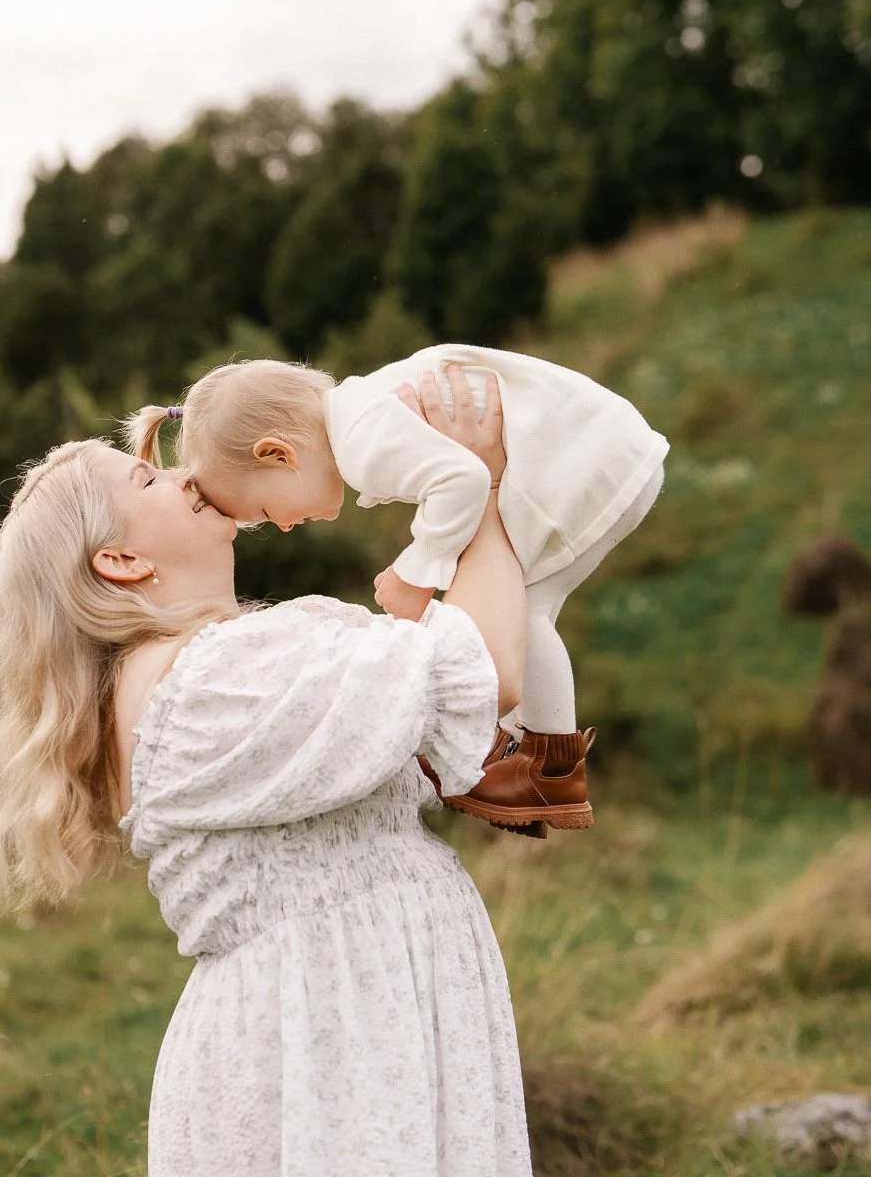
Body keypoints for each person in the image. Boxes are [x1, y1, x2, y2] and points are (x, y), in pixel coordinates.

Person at [0, 369, 541, 1177]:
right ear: (121, 561)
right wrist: (480, 480)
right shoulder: (204, 678)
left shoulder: (219, 664)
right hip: (330, 1035)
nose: (183, 478)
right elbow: (484, 672)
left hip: (356, 1014)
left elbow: (480, 754)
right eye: (150, 481)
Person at [125, 347, 668, 834]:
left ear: (278, 454)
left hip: (584, 460)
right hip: (605, 449)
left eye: (267, 512)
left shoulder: (362, 442)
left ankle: (543, 768)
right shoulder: (365, 409)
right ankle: (528, 758)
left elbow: (465, 480)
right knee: (521, 603)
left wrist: (417, 572)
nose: (286, 527)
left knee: (519, 608)